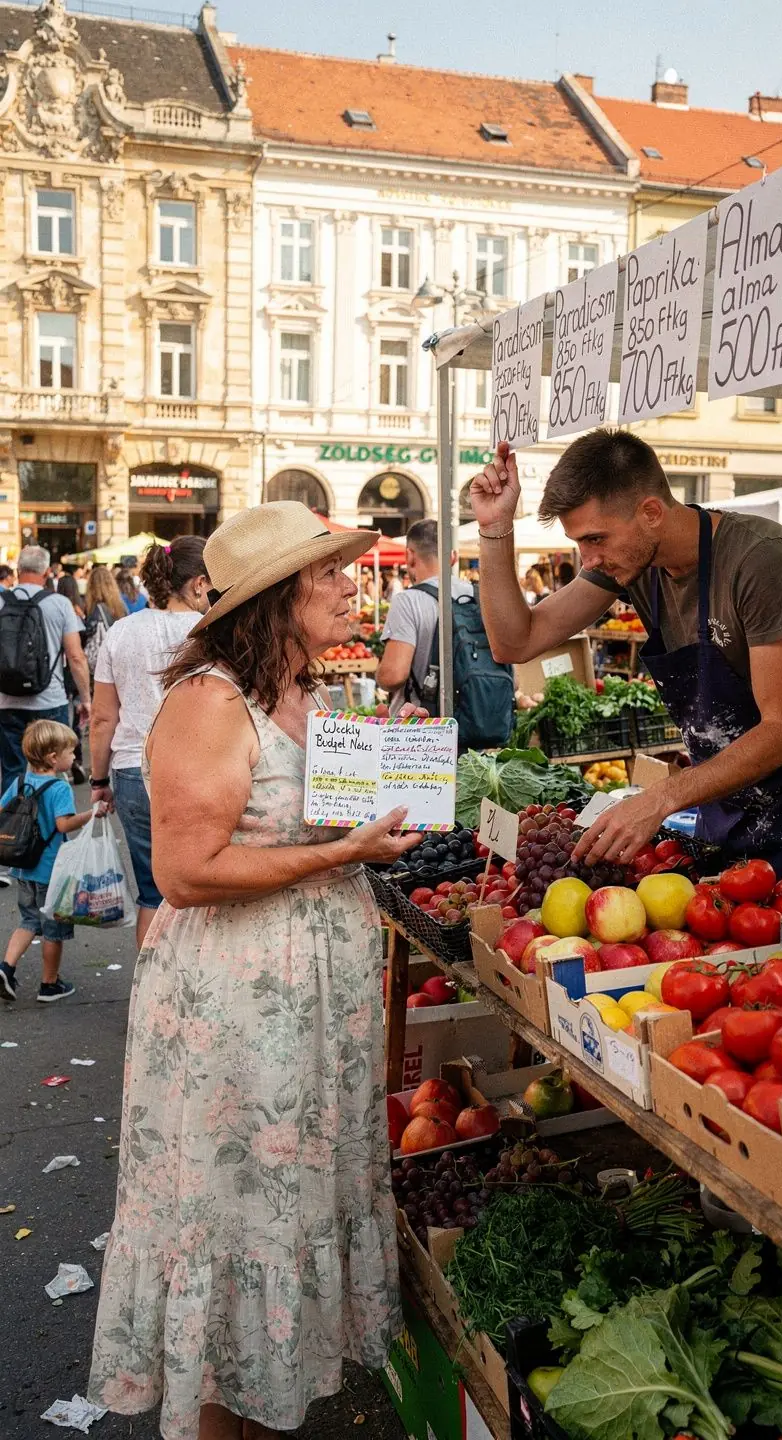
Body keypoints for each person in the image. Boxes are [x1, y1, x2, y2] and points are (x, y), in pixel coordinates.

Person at [87, 502, 423, 1440]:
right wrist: (336, 852)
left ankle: (263, 1405)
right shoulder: (209, 701)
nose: (353, 585)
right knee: (233, 1219)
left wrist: (396, 787)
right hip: (237, 1007)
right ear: (275, 598)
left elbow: (312, 819)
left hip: (306, 1002)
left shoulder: (305, 693)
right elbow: (186, 874)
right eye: (330, 574)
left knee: (281, 1210)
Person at [471, 430, 782, 874]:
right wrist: (494, 529)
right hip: (723, 814)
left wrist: (662, 797)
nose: (587, 558)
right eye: (580, 542)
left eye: (596, 538)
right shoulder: (636, 564)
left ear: (651, 512)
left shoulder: (762, 560)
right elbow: (516, 641)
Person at [89, 537, 210, 948]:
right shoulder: (209, 633)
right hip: (199, 769)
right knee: (200, 887)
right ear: (198, 584)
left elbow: (103, 717)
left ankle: (147, 997)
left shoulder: (121, 632)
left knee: (151, 891)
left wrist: (97, 780)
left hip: (129, 769)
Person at [0, 718, 93, 1003]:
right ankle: (49, 984)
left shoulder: (19, 780)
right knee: (53, 928)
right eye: (71, 752)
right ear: (54, 757)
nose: (75, 756)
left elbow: (4, 809)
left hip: (23, 868)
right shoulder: (59, 788)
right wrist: (92, 814)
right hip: (52, 871)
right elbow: (64, 825)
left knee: (28, 920)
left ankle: (6, 967)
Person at [0, 544, 90, 790]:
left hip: (7, 701)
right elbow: (76, 656)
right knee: (52, 770)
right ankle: (51, 824)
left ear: (18, 570)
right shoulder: (60, 604)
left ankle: (14, 826)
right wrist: (86, 699)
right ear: (48, 571)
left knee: (12, 771)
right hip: (50, 700)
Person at [377, 518, 474, 712]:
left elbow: (393, 675)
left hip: (423, 732)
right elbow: (513, 680)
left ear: (410, 556)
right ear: (453, 557)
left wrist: (380, 672)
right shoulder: (478, 596)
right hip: (481, 725)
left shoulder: (408, 601)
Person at [57, 574, 87, 785]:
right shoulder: (80, 612)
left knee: (65, 721)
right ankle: (76, 759)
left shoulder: (58, 610)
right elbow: (79, 653)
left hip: (62, 674)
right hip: (79, 673)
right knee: (76, 719)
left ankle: (66, 762)